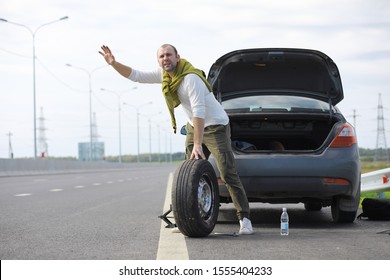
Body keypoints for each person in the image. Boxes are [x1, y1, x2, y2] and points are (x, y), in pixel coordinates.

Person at [99, 44, 253, 235]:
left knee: (227, 172)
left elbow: (199, 111)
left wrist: (198, 144)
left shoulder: (191, 79)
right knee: (190, 175)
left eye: (169, 55)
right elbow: (136, 76)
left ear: (177, 57)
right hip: (194, 125)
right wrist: (113, 63)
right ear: (159, 60)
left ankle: (244, 218)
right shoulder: (164, 76)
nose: (166, 59)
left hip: (215, 126)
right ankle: (190, 218)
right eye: (162, 56)